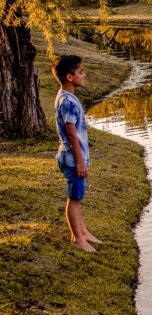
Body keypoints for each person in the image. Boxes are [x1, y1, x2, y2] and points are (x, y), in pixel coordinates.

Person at [52, 55, 102, 252]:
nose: (84, 75)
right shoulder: (69, 102)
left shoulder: (65, 97)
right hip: (72, 159)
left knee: (78, 196)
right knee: (74, 198)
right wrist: (80, 162)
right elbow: (71, 133)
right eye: (81, 72)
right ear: (69, 77)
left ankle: (82, 231)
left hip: (71, 157)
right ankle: (77, 238)